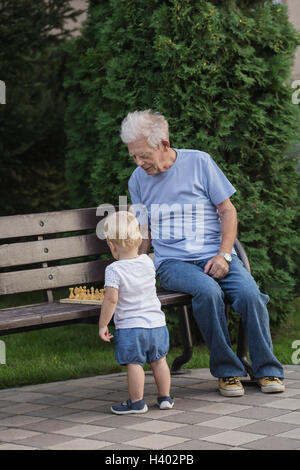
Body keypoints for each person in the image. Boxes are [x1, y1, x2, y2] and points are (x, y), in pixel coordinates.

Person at [120, 109, 285, 397]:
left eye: (143, 154)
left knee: (250, 296)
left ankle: (267, 369)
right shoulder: (138, 179)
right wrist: (134, 266)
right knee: (207, 292)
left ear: (164, 145)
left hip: (217, 254)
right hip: (173, 262)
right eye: (133, 155)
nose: (138, 162)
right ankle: (227, 371)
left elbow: (227, 211)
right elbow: (144, 233)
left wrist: (224, 255)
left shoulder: (199, 162)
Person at [98, 210, 174, 414]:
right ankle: (165, 398)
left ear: (112, 246)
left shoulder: (114, 270)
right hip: (157, 324)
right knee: (159, 361)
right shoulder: (148, 262)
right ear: (139, 240)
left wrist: (103, 324)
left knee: (134, 363)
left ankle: (137, 402)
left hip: (132, 328)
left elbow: (111, 299)